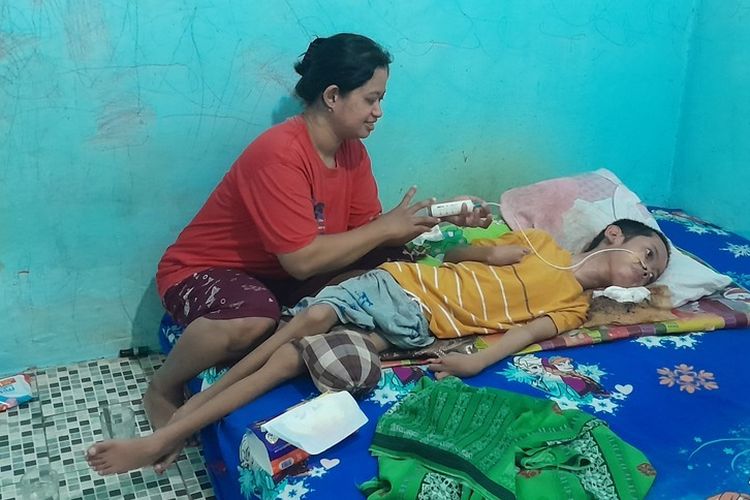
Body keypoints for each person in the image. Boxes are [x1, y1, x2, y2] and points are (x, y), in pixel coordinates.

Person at [87, 218, 669, 475]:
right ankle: (175, 426)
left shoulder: (573, 307)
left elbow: (525, 335)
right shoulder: (539, 243)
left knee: (298, 358)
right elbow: (451, 254)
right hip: (399, 284)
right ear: (613, 234)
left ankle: (178, 423)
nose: (645, 271)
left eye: (653, 272)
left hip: (414, 329)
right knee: (312, 317)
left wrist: (475, 361)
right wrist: (488, 252)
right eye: (646, 255)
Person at [145, 33, 491, 429]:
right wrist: (384, 228)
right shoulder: (280, 153)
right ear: (332, 96)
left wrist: (440, 215)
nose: (378, 112)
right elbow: (301, 260)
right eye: (371, 99)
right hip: (205, 271)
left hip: (279, 275)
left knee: (393, 269)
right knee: (254, 316)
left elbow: (367, 234)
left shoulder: (351, 151)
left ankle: (283, 331)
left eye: (381, 99)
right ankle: (162, 388)